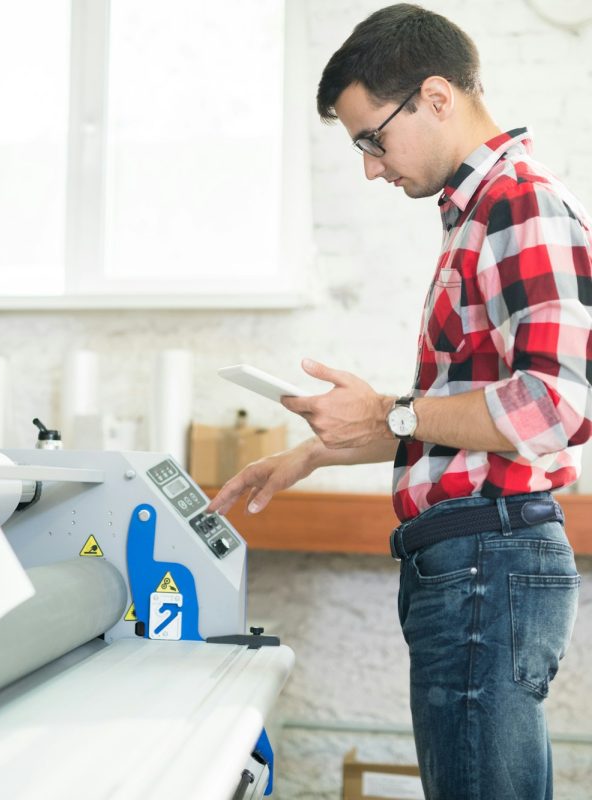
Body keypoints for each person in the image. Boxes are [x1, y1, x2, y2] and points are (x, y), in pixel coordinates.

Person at [207, 5, 591, 799]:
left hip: (490, 560)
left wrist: (389, 413)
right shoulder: (475, 218)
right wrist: (318, 448)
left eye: (371, 138)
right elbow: (472, 414)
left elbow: (555, 405)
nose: (371, 168)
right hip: (472, 561)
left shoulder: (519, 203)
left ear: (437, 96)